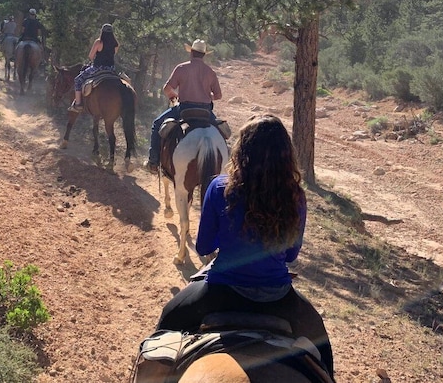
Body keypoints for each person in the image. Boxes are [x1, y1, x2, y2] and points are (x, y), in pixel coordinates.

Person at [155, 114, 335, 378]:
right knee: (324, 353)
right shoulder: (295, 195)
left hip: (219, 292)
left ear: (242, 150)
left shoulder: (219, 188)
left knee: (164, 328)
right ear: (286, 155)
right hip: (278, 296)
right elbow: (291, 255)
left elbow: (204, 246)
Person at [144, 39, 222, 174]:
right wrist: (209, 97)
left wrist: (173, 97)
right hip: (205, 111)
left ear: (191, 52)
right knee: (221, 131)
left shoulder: (181, 68)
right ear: (204, 55)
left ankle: (153, 162)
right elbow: (218, 95)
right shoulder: (210, 72)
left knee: (157, 124)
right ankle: (221, 167)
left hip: (184, 109)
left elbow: (167, 88)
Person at [69, 24, 119, 113]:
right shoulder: (116, 44)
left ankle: (78, 104)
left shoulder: (98, 42)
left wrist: (95, 60)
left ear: (102, 32)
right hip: (111, 69)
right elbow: (112, 55)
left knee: (78, 80)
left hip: (98, 68)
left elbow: (91, 56)